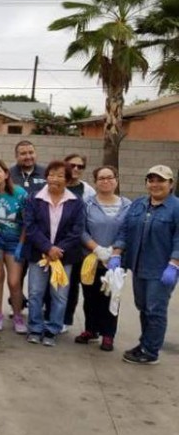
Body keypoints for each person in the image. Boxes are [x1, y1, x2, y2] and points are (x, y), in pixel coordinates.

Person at [111, 165, 179, 365]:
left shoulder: (176, 208)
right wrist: (117, 253)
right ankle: (145, 343)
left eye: (161, 180)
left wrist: (174, 264)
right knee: (143, 307)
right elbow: (125, 230)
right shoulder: (139, 204)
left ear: (171, 183)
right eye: (151, 180)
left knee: (155, 309)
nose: (155, 184)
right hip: (138, 266)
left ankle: (150, 351)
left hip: (161, 269)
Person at [23, 160, 85, 347]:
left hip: (63, 256)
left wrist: (58, 249)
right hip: (39, 254)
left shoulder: (76, 202)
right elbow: (30, 226)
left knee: (59, 295)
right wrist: (47, 248)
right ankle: (34, 327)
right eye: (51, 174)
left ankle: (52, 329)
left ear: (67, 179)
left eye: (60, 175)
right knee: (35, 292)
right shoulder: (34, 199)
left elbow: (77, 230)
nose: (54, 179)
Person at [75, 166, 131, 351]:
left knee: (111, 296)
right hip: (91, 258)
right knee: (90, 297)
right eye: (101, 178)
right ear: (95, 182)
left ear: (116, 180)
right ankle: (91, 330)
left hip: (115, 259)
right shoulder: (88, 204)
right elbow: (81, 230)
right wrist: (97, 249)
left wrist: (114, 252)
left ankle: (108, 334)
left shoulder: (127, 205)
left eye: (110, 177)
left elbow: (127, 231)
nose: (105, 181)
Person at [0, 160, 27, 333]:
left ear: (6, 174)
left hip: (15, 240)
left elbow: (26, 222)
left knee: (14, 281)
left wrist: (22, 244)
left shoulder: (19, 193)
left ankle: (17, 315)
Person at [60, 153, 97, 331]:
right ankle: (51, 315)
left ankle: (65, 319)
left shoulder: (87, 191)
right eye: (72, 165)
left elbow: (89, 219)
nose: (75, 169)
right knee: (54, 283)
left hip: (78, 246)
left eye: (80, 166)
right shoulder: (56, 184)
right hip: (55, 244)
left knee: (72, 284)